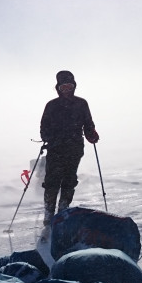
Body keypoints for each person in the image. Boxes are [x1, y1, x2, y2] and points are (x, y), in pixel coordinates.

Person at [40, 70, 99, 226]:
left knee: (69, 180)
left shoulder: (81, 103)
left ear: (74, 86)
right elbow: (43, 127)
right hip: (55, 149)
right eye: (63, 87)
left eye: (69, 86)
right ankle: (48, 211)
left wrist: (91, 134)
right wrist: (50, 138)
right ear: (58, 88)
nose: (66, 90)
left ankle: (63, 209)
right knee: (52, 181)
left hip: (74, 148)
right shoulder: (51, 106)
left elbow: (88, 124)